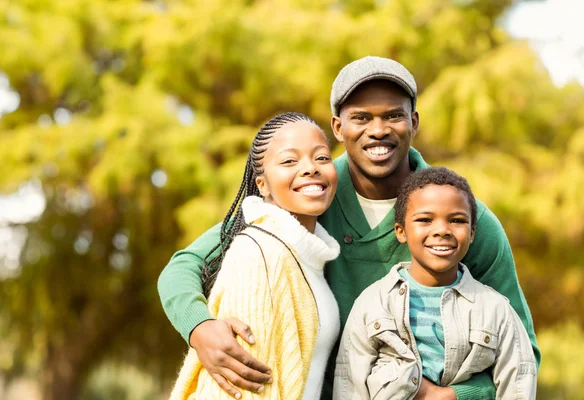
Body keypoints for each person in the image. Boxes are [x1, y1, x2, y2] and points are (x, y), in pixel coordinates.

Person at [158, 56, 540, 400]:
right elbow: (183, 267)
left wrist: (454, 396)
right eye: (361, 117)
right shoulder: (308, 195)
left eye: (393, 115)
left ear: (413, 122)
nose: (378, 130)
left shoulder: (461, 218)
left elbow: (522, 351)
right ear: (339, 127)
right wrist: (201, 328)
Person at [168, 112, 341, 399]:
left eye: (322, 158)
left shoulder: (306, 253)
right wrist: (200, 325)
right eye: (289, 161)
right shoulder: (262, 254)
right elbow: (251, 388)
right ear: (262, 185)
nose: (310, 168)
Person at [333, 167, 537, 400]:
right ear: (401, 231)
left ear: (472, 232)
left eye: (456, 220)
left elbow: (519, 384)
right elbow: (349, 386)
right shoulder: (373, 304)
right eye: (425, 220)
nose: (442, 230)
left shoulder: (496, 309)